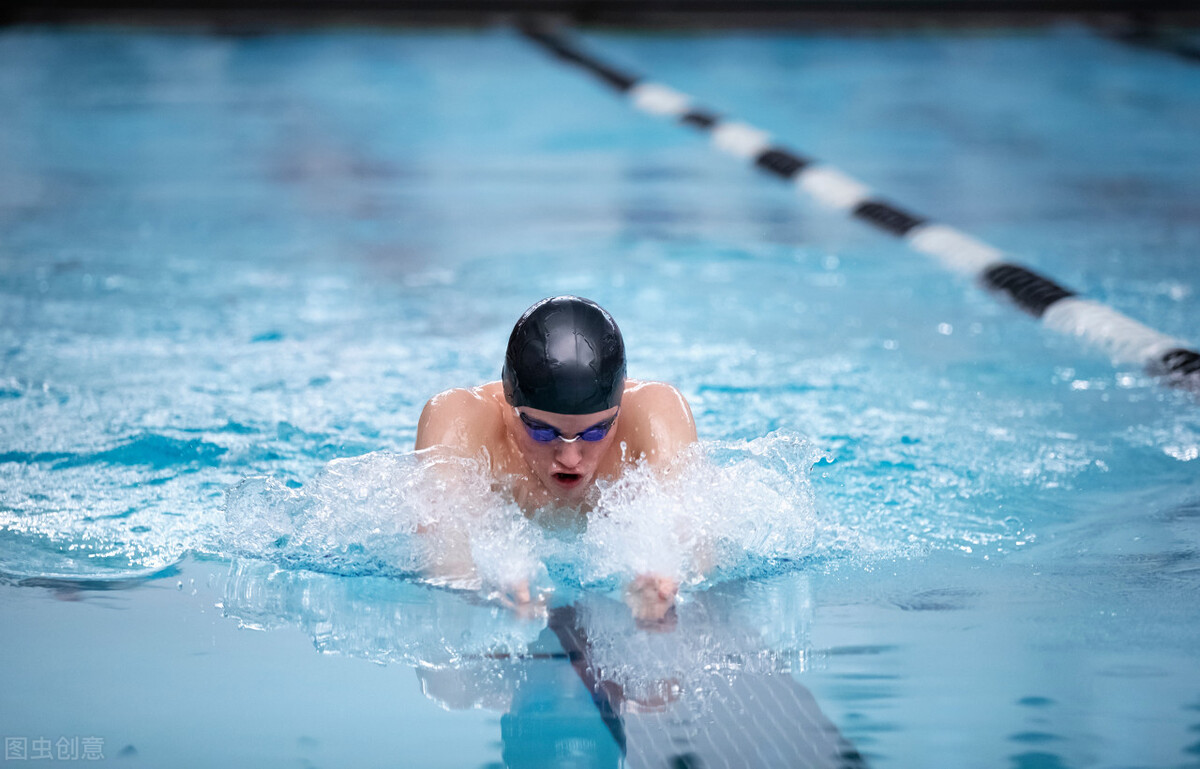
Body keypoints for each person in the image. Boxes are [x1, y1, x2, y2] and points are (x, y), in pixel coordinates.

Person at [415, 295, 698, 620]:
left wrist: (662, 579)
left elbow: (692, 538)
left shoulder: (655, 413)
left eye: (596, 431)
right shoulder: (461, 419)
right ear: (509, 401)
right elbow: (441, 548)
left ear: (619, 409)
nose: (570, 457)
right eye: (542, 431)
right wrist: (484, 585)